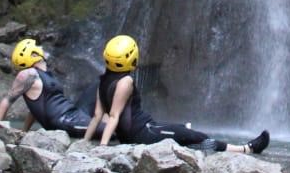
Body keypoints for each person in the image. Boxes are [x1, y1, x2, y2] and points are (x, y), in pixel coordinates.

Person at [85, 34, 270, 154]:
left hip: (147, 129)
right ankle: (245, 149)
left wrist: (84, 143)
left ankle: (194, 142)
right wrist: (102, 149)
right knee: (192, 136)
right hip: (144, 134)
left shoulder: (104, 80)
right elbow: (115, 116)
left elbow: (97, 116)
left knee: (183, 130)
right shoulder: (126, 82)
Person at [0, 38, 101, 136]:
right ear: (33, 55)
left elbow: (35, 108)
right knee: (111, 130)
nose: (41, 48)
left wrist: (24, 131)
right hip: (65, 120)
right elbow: (8, 99)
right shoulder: (29, 74)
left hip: (74, 113)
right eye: (38, 47)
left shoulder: (46, 74)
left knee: (101, 81)